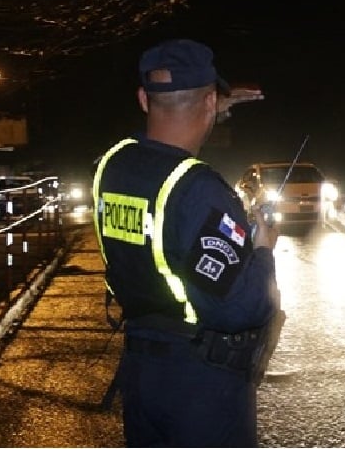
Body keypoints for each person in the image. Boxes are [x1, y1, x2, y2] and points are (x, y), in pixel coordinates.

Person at [92, 38, 283, 447]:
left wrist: (210, 105)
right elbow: (239, 309)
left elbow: (156, 153)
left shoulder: (114, 164)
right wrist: (264, 250)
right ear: (210, 103)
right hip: (199, 388)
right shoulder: (199, 189)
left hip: (142, 375)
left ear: (144, 99)